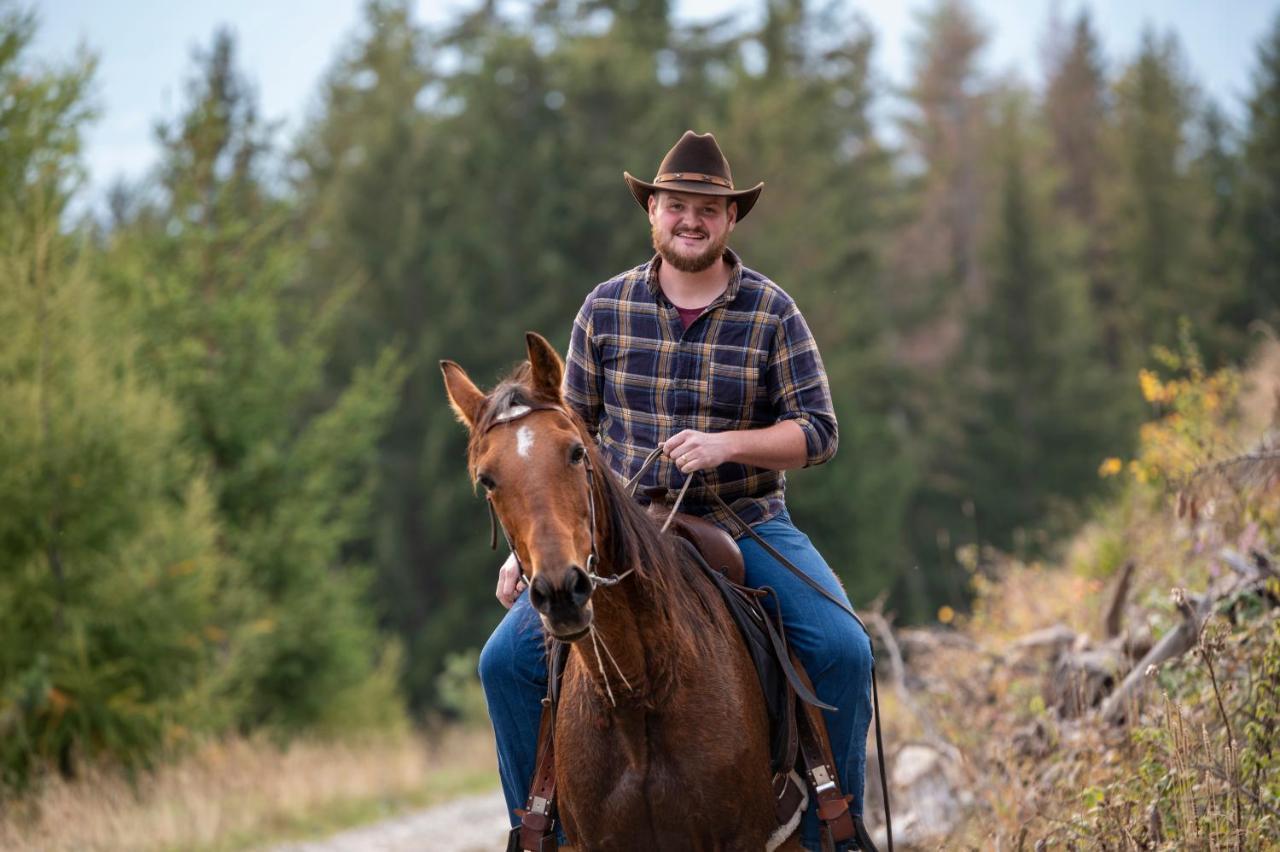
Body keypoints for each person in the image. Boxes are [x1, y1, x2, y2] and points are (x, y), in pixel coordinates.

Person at [478, 130, 874, 851]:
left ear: (729, 221)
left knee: (845, 649)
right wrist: (539, 546)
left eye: (707, 209)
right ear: (652, 213)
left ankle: (833, 831)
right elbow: (572, 442)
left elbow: (818, 431)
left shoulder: (772, 311)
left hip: (746, 521)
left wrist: (729, 444)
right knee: (503, 663)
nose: (690, 220)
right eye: (676, 206)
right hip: (622, 530)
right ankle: (539, 831)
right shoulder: (604, 310)